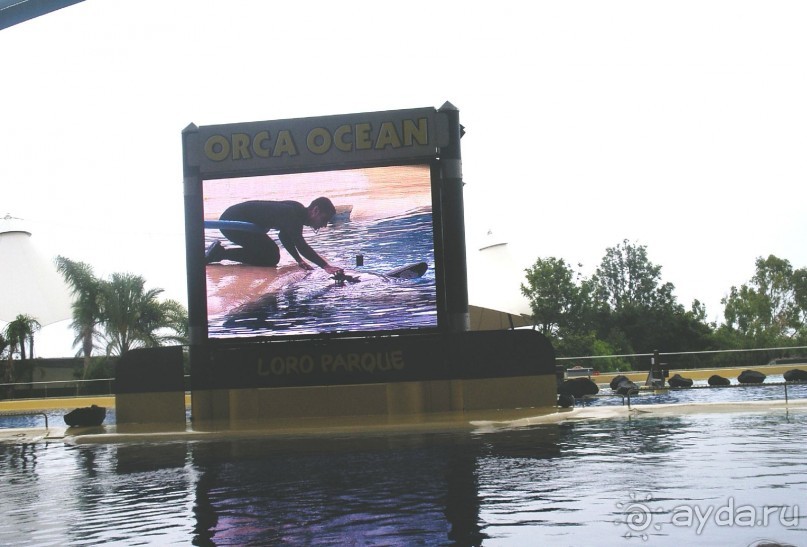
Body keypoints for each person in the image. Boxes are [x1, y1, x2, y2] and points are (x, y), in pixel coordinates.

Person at [205, 197, 342, 274]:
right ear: (315, 210)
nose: (324, 225)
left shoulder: (297, 210)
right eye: (324, 219)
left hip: (236, 220)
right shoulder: (293, 216)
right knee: (271, 256)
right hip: (232, 223)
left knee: (271, 253)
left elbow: (284, 237)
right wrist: (325, 266)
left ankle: (220, 253)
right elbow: (301, 245)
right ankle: (219, 254)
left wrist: (298, 260)